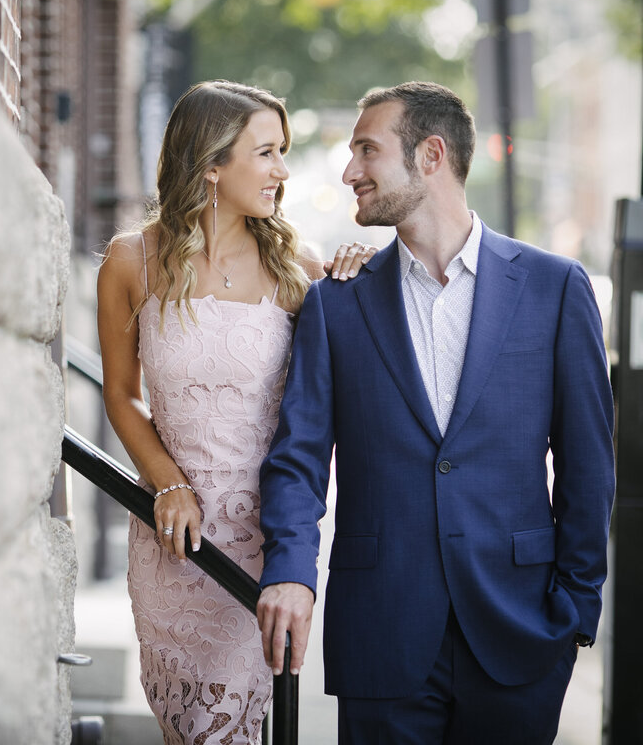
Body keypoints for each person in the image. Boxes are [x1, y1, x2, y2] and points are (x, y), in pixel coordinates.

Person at [256, 81, 616, 744]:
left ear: (430, 155)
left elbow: (588, 468)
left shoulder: (554, 288)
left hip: (522, 632)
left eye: (367, 149)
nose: (349, 171)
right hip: (381, 629)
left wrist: (575, 609)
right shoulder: (336, 305)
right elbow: (296, 461)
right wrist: (289, 572)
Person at [97, 80, 375, 744]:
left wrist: (362, 278)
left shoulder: (297, 268)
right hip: (172, 540)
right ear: (212, 164)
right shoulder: (129, 261)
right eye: (267, 153)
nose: (282, 170)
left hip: (259, 540)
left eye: (282, 152)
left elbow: (346, 388)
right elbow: (120, 393)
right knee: (187, 727)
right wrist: (167, 479)